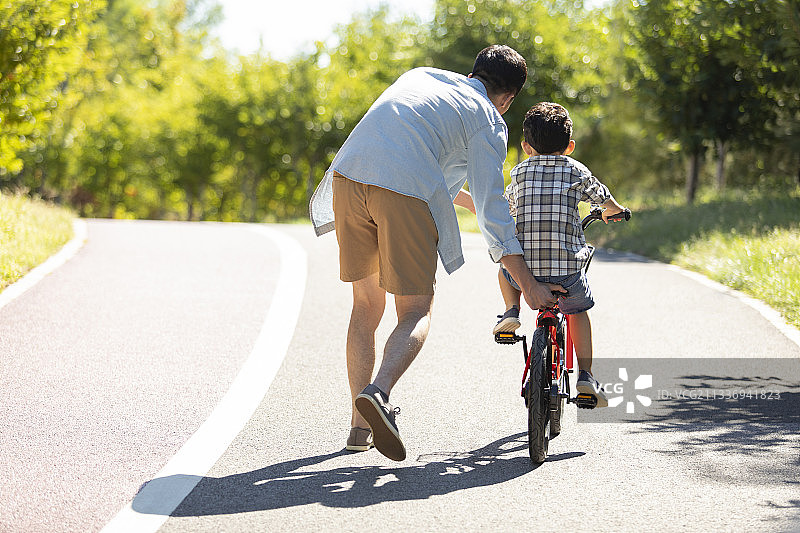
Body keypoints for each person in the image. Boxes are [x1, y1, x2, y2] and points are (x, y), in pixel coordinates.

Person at [309, 45, 562, 461]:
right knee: (415, 310)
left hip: (348, 176)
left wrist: (473, 202)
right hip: (399, 191)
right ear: (508, 98)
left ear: (474, 71)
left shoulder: (422, 77)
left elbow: (412, 157)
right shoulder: (488, 121)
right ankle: (378, 393)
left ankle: (358, 429)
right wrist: (527, 283)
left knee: (365, 307)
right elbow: (494, 214)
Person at [493, 101, 628, 407]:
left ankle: (510, 312)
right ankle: (586, 377)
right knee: (578, 311)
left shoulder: (519, 171)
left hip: (524, 270)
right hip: (565, 268)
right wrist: (616, 211)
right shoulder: (576, 169)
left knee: (504, 272)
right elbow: (602, 197)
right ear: (569, 146)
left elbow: (509, 205)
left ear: (527, 146)